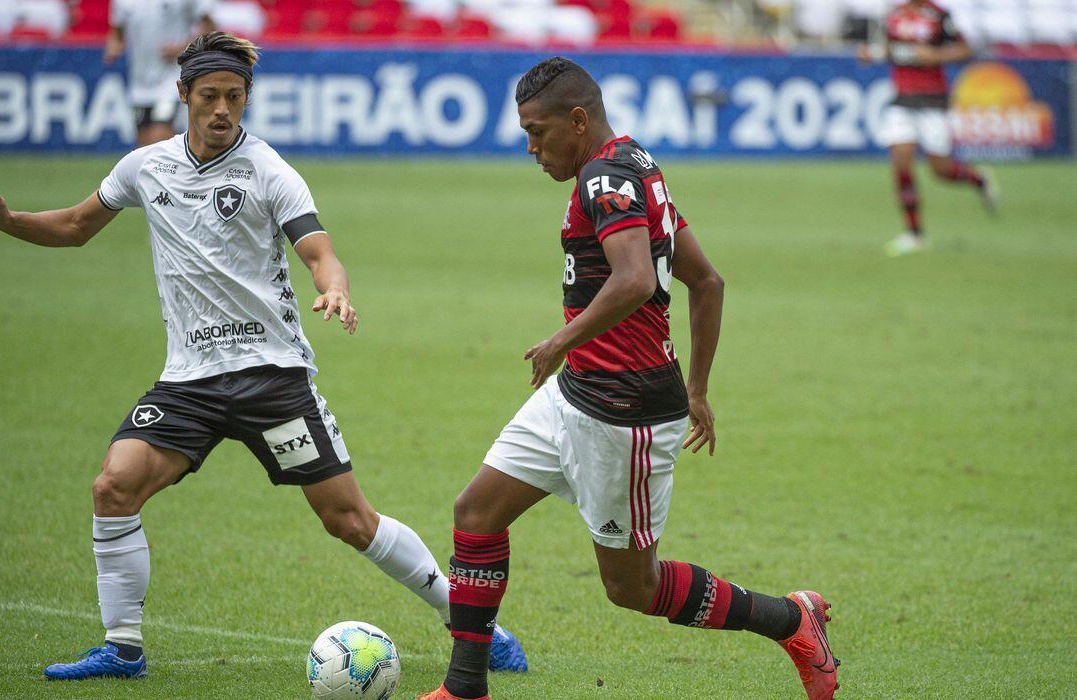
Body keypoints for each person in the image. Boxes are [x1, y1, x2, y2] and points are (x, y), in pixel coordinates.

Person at [0, 31, 525, 681]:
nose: (223, 109)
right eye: (209, 97)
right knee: (113, 486)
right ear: (183, 96)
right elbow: (73, 227)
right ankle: (122, 649)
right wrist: (8, 221)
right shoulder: (145, 168)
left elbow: (317, 249)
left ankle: (473, 623)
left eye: (234, 96)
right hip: (189, 384)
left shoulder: (267, 169)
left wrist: (335, 288)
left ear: (247, 99)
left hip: (271, 376)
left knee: (347, 518)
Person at [418, 57, 839, 700]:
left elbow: (637, 278)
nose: (531, 147)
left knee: (631, 590)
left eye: (537, 131)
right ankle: (464, 687)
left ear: (578, 119)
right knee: (476, 513)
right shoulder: (638, 164)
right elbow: (707, 281)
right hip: (577, 394)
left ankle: (790, 619)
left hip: (625, 413)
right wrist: (696, 389)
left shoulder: (603, 178)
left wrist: (561, 339)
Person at [858, 0, 998, 257]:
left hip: (933, 101)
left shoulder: (940, 16)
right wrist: (872, 54)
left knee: (940, 170)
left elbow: (966, 49)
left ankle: (979, 179)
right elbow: (890, 50)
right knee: (901, 161)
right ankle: (914, 234)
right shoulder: (894, 15)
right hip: (902, 99)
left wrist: (937, 56)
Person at [106, 0, 217, 146]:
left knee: (160, 145)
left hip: (172, 82)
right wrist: (113, 48)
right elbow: (117, 32)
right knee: (145, 150)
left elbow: (210, 27)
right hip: (139, 85)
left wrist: (183, 47)